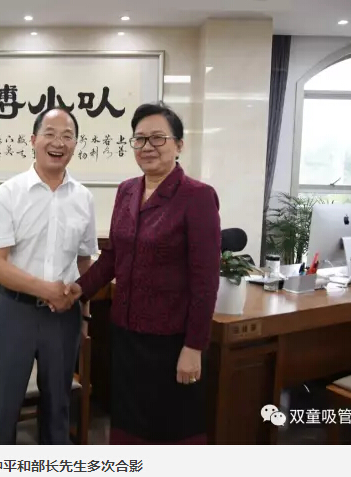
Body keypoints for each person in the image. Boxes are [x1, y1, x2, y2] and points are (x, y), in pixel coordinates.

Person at [71, 102, 221, 444]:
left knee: (171, 431)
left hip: (172, 341)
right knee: (129, 428)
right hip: (126, 335)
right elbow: (112, 257)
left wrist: (194, 346)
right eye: (139, 139)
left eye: (158, 138)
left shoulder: (197, 197)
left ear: (179, 145)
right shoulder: (127, 191)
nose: (147, 146)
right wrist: (78, 290)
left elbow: (206, 281)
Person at [0, 107, 97, 445]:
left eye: (67, 136)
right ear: (33, 140)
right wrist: (47, 290)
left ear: (75, 145)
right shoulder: (7, 194)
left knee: (58, 407)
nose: (58, 142)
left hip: (63, 318)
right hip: (13, 312)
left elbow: (84, 261)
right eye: (50, 134)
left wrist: (84, 313)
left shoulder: (84, 198)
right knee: (4, 409)